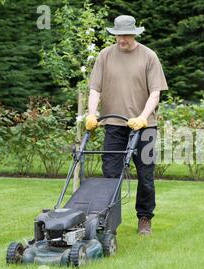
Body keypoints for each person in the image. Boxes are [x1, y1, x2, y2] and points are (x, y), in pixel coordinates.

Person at [85, 15, 168, 235]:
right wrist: (92, 114)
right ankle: (108, 220)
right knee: (110, 174)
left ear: (134, 33)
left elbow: (155, 93)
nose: (121, 39)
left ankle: (144, 218)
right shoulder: (105, 56)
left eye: (125, 35)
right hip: (113, 124)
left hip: (145, 127)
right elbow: (95, 89)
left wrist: (142, 117)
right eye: (117, 35)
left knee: (145, 174)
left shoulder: (149, 56)